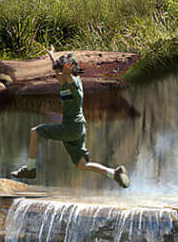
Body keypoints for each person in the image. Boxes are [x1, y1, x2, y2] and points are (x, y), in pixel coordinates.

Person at [10, 55, 130, 187]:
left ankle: (30, 169)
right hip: (77, 129)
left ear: (68, 72)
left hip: (71, 128)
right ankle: (114, 173)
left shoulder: (74, 84)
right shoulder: (64, 85)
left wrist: (67, 73)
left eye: (59, 73)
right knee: (82, 165)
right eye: (56, 73)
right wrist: (52, 57)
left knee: (35, 132)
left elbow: (71, 78)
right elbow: (62, 73)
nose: (56, 76)